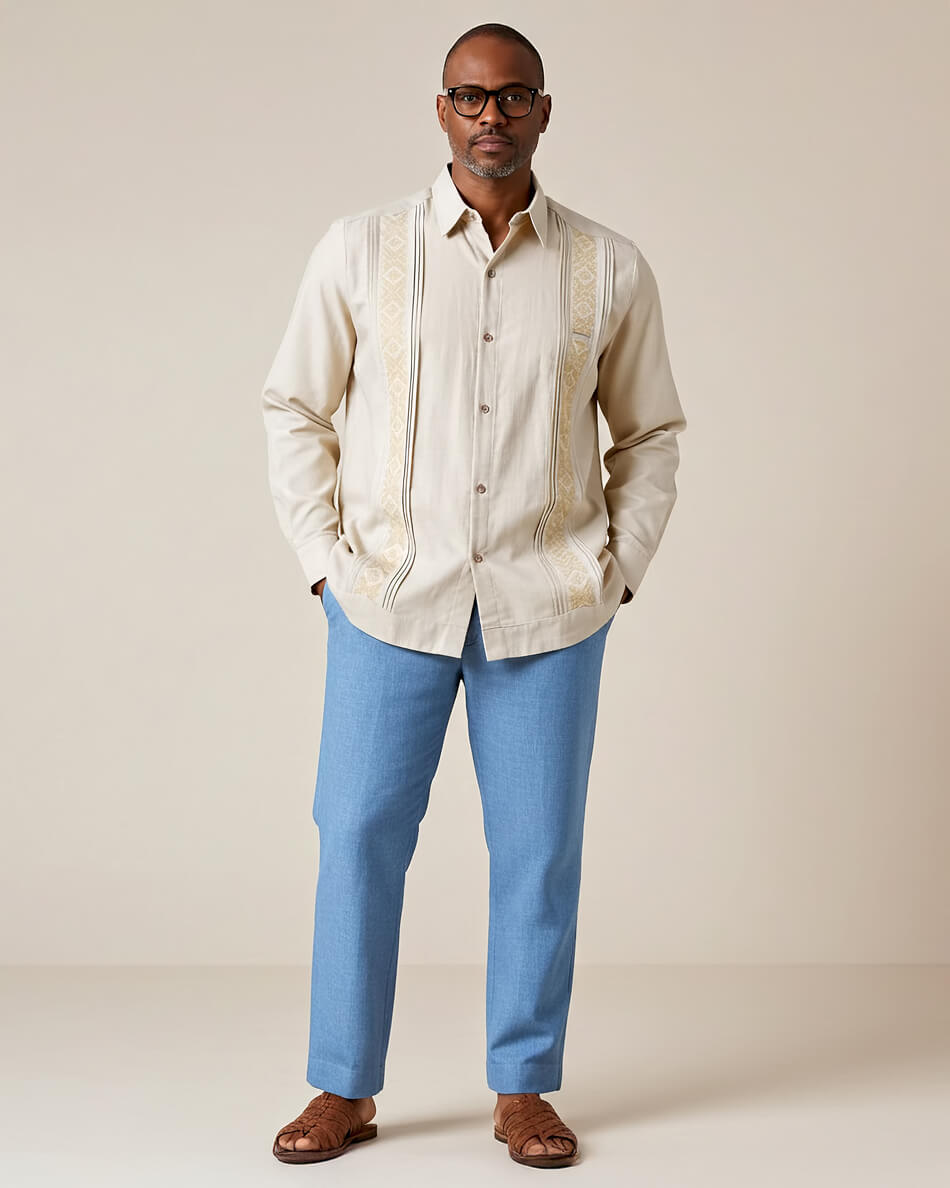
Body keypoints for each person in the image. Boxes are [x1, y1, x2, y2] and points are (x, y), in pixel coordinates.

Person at [261, 21, 686, 1169]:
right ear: (438, 110)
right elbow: (293, 408)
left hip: (547, 611)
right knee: (355, 835)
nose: (489, 116)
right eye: (467, 96)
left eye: (511, 98)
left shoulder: (608, 266)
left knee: (538, 850)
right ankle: (341, 1087)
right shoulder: (360, 250)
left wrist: (616, 571)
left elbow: (648, 434)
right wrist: (323, 562)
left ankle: (522, 1087)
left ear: (544, 110)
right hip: (390, 601)